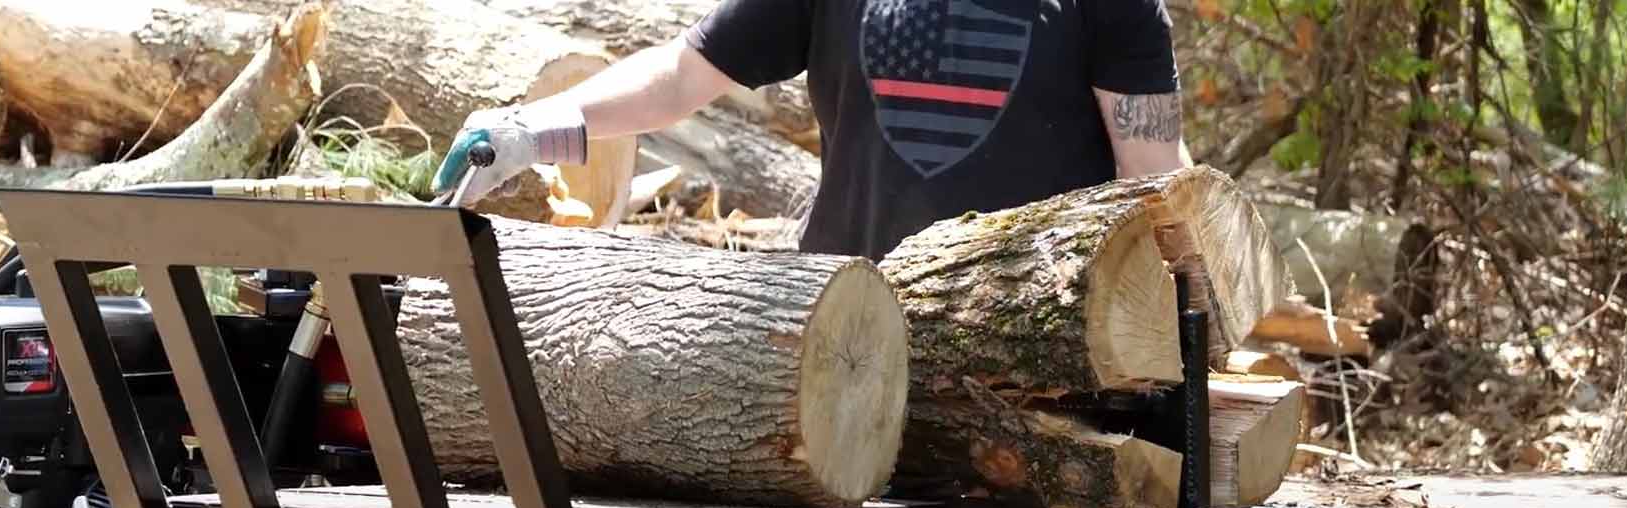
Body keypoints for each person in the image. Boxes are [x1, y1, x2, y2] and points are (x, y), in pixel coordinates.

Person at [431, 0, 1191, 261]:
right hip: (843, 335)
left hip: (1024, 363)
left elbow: (1151, 182)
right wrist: (537, 128)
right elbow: (680, 78)